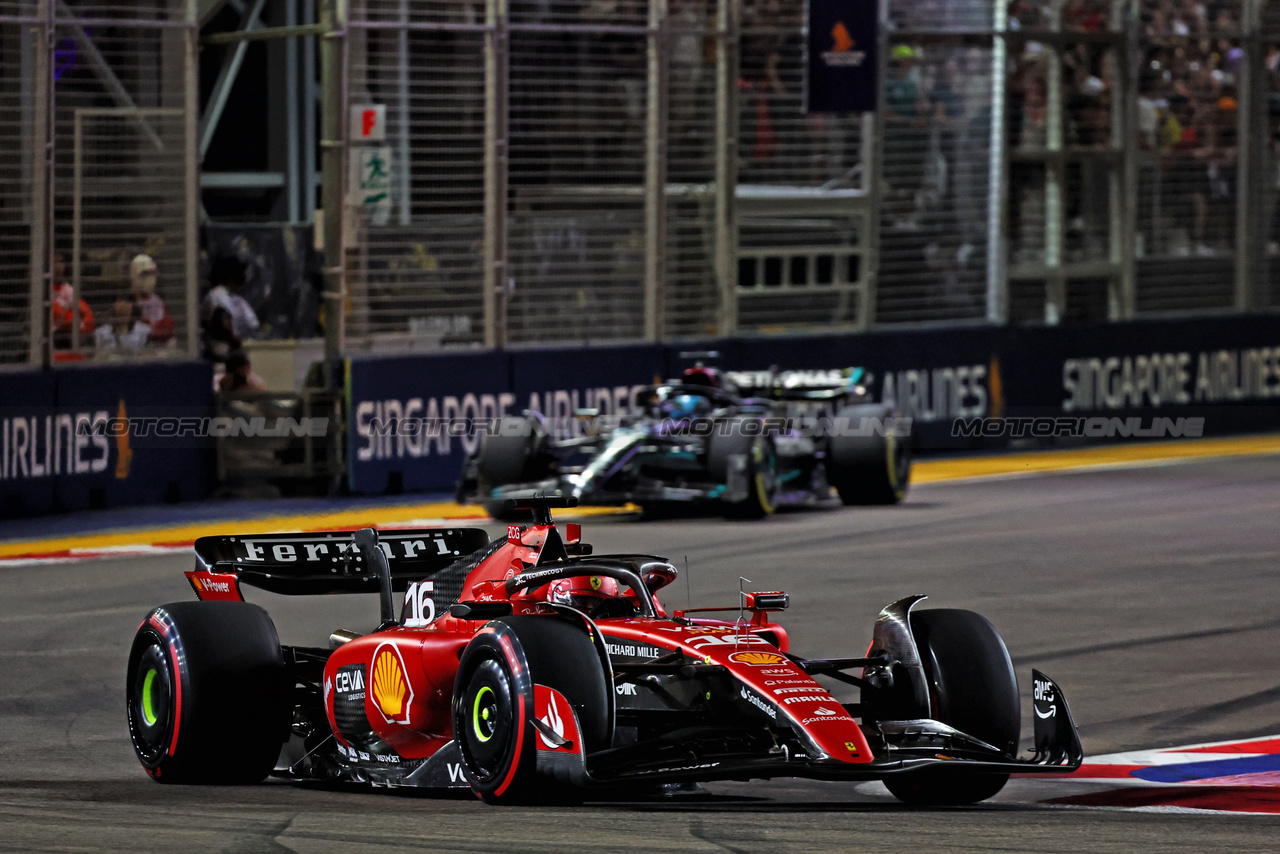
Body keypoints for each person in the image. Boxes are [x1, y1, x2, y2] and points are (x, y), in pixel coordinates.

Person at [201, 256, 259, 361]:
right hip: (219, 350)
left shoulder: (237, 298)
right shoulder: (217, 295)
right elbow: (223, 327)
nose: (244, 277)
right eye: (241, 273)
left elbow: (253, 325)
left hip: (238, 347)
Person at [50, 251, 95, 348]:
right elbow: (58, 316)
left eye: (60, 262)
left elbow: (87, 316)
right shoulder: (42, 290)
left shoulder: (68, 289)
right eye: (54, 263)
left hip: (70, 337)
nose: (58, 266)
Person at [129, 254, 176, 346]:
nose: (150, 278)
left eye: (152, 273)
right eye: (145, 274)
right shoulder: (128, 302)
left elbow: (169, 329)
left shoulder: (157, 302)